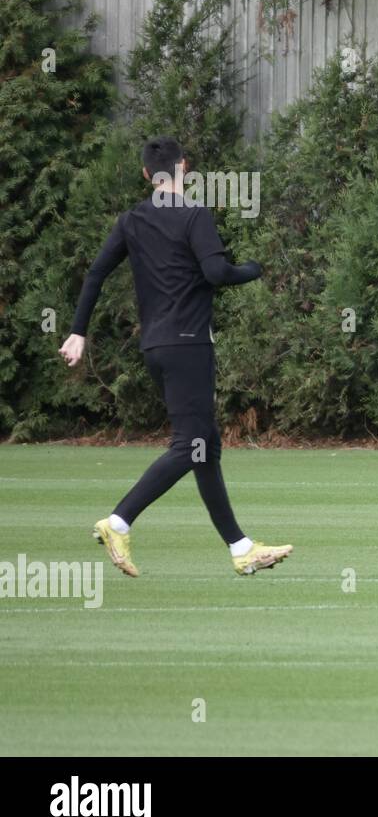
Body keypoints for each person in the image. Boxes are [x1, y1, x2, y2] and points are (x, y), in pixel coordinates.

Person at [59, 137, 292, 577]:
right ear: (184, 167)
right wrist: (255, 270)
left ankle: (240, 547)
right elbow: (217, 273)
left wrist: (78, 331)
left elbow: (95, 275)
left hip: (156, 348)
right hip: (188, 345)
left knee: (205, 447)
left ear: (148, 174)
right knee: (191, 445)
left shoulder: (131, 220)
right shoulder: (194, 213)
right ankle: (118, 521)